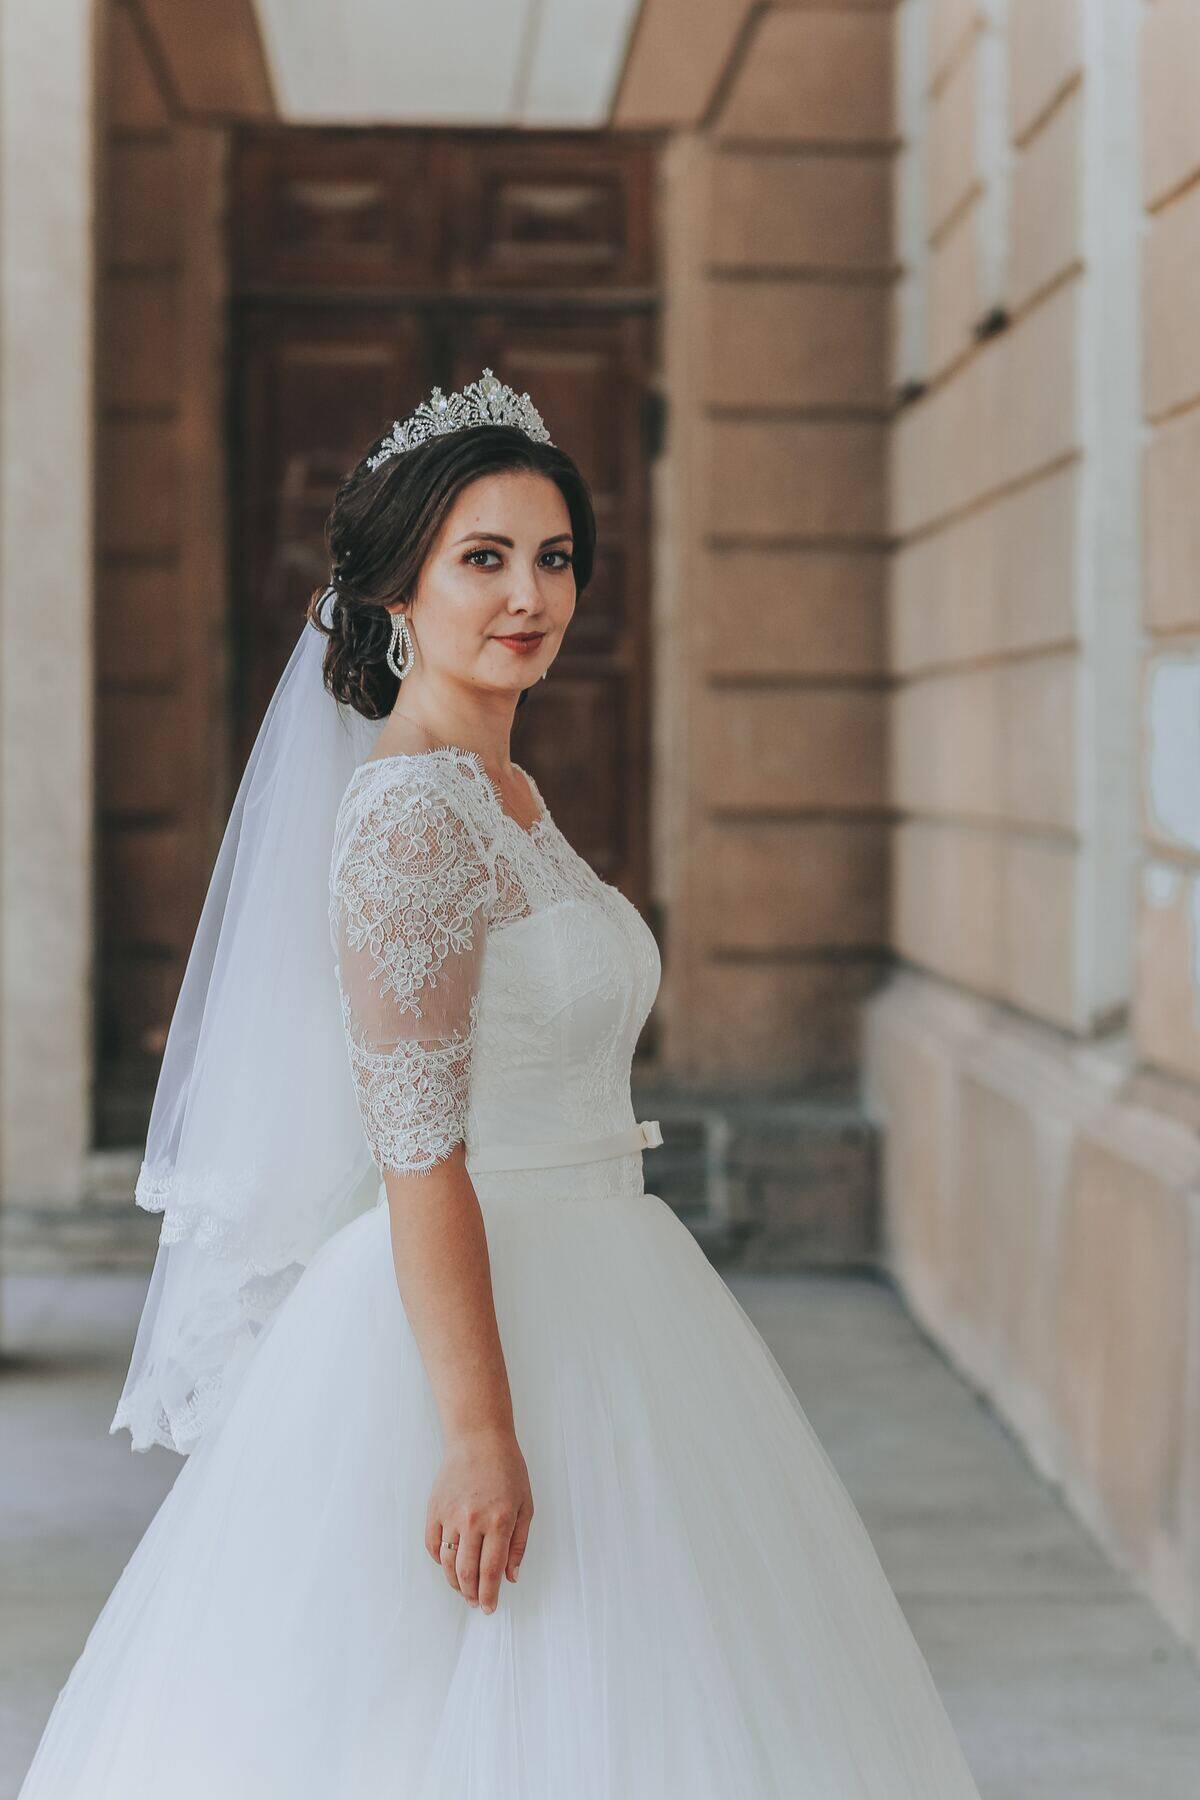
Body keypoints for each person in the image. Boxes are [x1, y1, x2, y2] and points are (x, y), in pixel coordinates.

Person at [18, 371, 983, 1797]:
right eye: (484, 558)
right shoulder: (413, 813)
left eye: (554, 558)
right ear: (398, 592)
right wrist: (477, 1435)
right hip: (476, 1319)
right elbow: (420, 1155)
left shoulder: (507, 797)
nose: (529, 593)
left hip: (611, 1277)